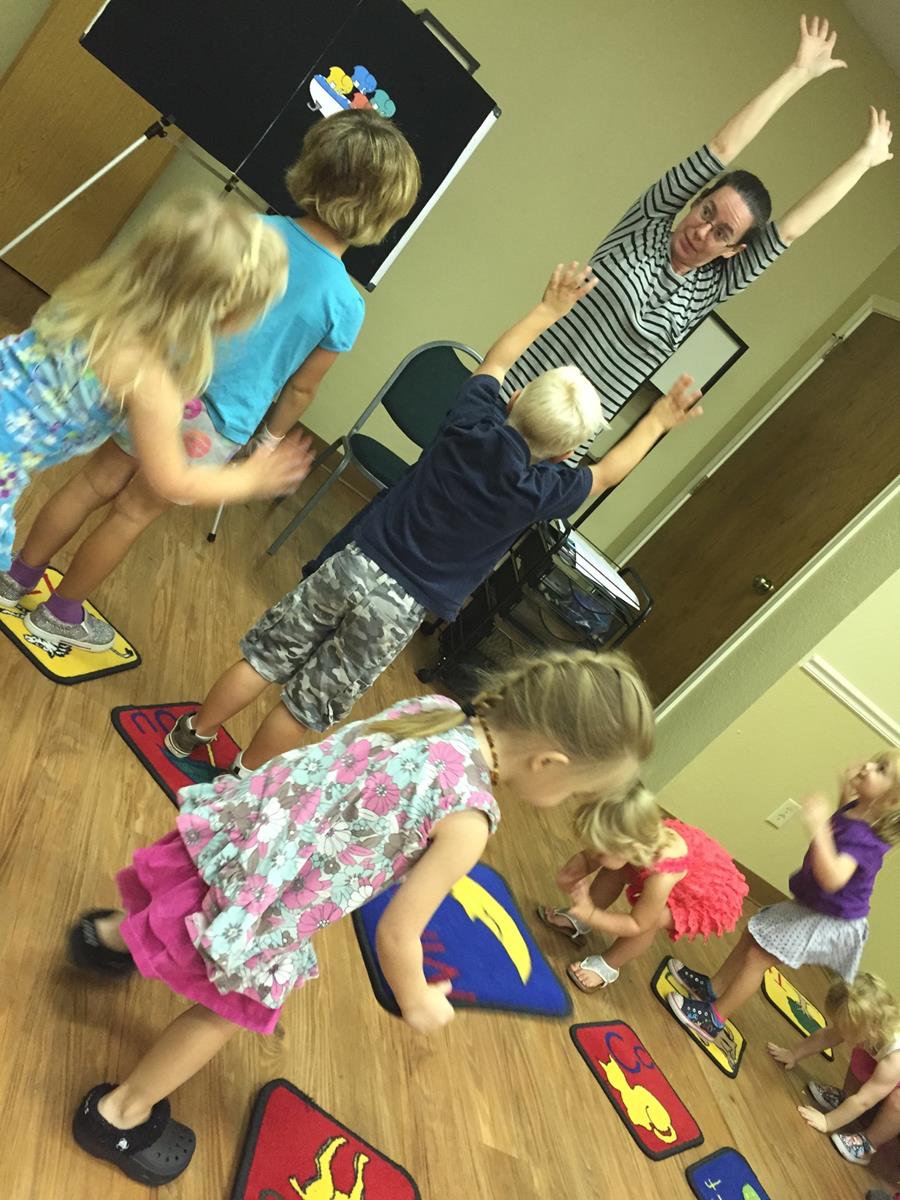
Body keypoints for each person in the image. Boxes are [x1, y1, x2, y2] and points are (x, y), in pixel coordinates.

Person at [67, 648, 654, 1185]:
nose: (567, 805)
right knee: (226, 1012)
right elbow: (399, 932)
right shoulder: (470, 820)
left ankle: (106, 939)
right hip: (274, 895)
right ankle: (120, 1114)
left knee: (186, 904)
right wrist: (419, 1001)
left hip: (251, 836)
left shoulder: (435, 708)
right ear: (550, 762)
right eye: (576, 792)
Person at [162, 263, 702, 775]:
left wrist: (548, 309)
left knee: (266, 658)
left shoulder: (471, 420)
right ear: (563, 457)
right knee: (308, 702)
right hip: (399, 610)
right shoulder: (541, 491)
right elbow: (606, 473)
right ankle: (239, 779)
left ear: (512, 399)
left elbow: (494, 362)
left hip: (353, 563)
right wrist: (658, 419)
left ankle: (192, 733)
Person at [1, 109, 420, 651]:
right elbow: (300, 389)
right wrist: (266, 446)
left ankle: (17, 578)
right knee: (132, 513)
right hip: (218, 421)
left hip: (160, 380)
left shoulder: (246, 230)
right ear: (382, 214)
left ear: (311, 167)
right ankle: (60, 614)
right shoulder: (345, 304)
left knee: (93, 482)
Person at [502, 14, 894, 467]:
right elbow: (721, 149)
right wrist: (798, 73)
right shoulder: (645, 225)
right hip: (514, 399)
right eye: (706, 212)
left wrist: (863, 161)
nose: (702, 231)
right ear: (695, 202)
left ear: (732, 251)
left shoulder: (710, 289)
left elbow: (792, 228)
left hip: (562, 453)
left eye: (722, 233)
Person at [0, 191, 313, 650]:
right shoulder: (150, 381)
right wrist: (249, 479)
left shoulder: (90, 303)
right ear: (224, 312)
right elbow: (174, 483)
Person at [667, 751, 900, 1040]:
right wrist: (843, 794)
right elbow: (842, 830)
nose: (867, 766)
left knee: (758, 957)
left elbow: (833, 879)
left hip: (829, 920)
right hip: (817, 905)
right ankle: (712, 987)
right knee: (754, 934)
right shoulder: (858, 809)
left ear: (892, 801)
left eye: (880, 769)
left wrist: (818, 828)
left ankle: (714, 1019)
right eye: (873, 760)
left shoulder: (868, 843)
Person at [538, 785, 747, 991]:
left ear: (632, 847)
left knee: (652, 919)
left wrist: (592, 913)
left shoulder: (663, 875)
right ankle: (579, 921)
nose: (594, 853)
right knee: (615, 869)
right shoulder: (632, 839)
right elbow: (589, 857)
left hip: (708, 897)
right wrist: (571, 872)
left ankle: (609, 965)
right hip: (688, 865)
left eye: (600, 850)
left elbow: (637, 923)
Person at [768, 972, 900, 1168]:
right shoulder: (869, 1027)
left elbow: (864, 1101)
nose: (837, 1029)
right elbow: (826, 1037)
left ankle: (868, 1144)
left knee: (897, 1104)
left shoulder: (894, 1058)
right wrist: (793, 1054)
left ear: (869, 1029)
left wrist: (827, 1122)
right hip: (882, 1065)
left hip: (894, 1079)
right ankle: (845, 1098)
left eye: (843, 1027)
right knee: (860, 1056)